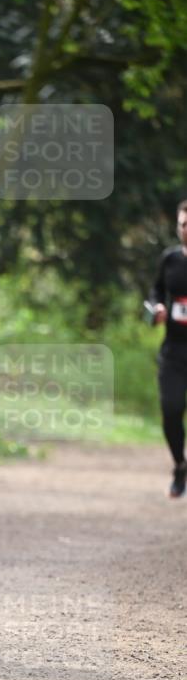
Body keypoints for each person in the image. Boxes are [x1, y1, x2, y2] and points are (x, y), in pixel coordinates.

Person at [146, 199, 187, 498]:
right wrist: (157, 306)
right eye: (184, 224)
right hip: (174, 350)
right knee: (171, 410)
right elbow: (156, 290)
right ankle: (180, 465)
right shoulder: (170, 259)